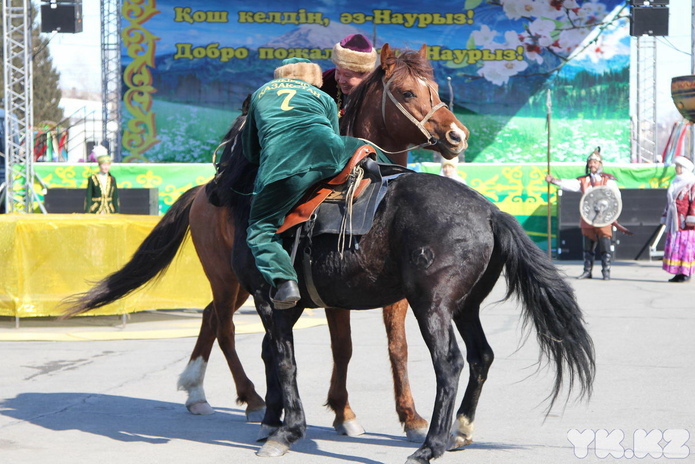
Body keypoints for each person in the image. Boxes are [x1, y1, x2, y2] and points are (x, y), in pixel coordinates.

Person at [241, 57, 384, 310]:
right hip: (328, 155)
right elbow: (331, 132)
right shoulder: (325, 98)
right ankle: (394, 171)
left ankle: (285, 282)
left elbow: (251, 151)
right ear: (314, 81)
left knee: (260, 228)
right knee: (363, 146)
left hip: (283, 167)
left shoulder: (261, 94)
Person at [545, 147, 620, 280]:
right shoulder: (583, 181)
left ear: (600, 164)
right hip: (588, 217)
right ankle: (587, 271)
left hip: (604, 218)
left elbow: (615, 197)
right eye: (590, 163)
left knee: (605, 246)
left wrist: (612, 215)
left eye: (595, 163)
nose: (592, 165)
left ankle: (606, 271)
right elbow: (569, 184)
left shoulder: (608, 180)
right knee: (588, 247)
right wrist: (554, 180)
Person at [321, 33, 377, 117]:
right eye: (338, 72)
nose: (341, 80)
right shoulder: (325, 81)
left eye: (347, 75)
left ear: (366, 75)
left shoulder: (377, 94)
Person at [660, 156, 695, 282]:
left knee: (685, 247)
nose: (676, 169)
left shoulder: (691, 182)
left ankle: (686, 273)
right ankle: (678, 272)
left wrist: (691, 219)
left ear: (684, 168)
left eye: (678, 166)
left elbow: (693, 202)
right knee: (676, 247)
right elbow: (670, 202)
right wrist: (665, 216)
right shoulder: (675, 182)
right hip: (674, 221)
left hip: (685, 223)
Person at [85, 145, 119, 214]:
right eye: (104, 165)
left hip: (109, 210)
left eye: (107, 165)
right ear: (99, 165)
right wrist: (87, 212)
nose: (106, 167)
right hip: (96, 209)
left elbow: (115, 197)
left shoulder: (112, 179)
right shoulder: (92, 178)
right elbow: (89, 196)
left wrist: (117, 211)